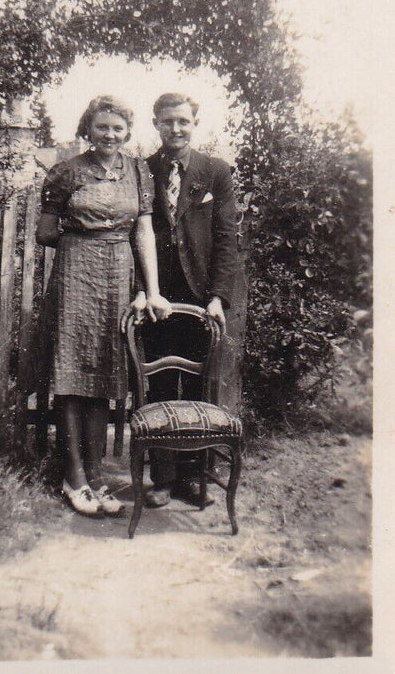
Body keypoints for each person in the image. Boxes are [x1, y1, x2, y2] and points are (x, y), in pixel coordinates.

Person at [36, 95, 171, 518]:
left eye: (117, 128)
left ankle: (96, 477)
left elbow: (144, 233)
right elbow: (44, 233)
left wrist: (151, 289)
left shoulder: (138, 171)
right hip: (76, 275)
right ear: (87, 131)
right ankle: (73, 476)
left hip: (118, 277)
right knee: (71, 373)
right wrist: (84, 241)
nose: (109, 135)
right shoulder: (66, 172)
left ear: (127, 132)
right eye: (101, 128)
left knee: (103, 374)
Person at [132, 92, 238, 508]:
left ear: (195, 124)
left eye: (183, 122)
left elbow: (227, 239)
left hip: (200, 296)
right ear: (155, 123)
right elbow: (134, 234)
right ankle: (161, 478)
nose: (175, 129)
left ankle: (193, 477)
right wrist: (144, 290)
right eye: (167, 121)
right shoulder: (142, 170)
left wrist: (217, 297)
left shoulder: (216, 172)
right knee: (158, 383)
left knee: (197, 385)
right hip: (159, 293)